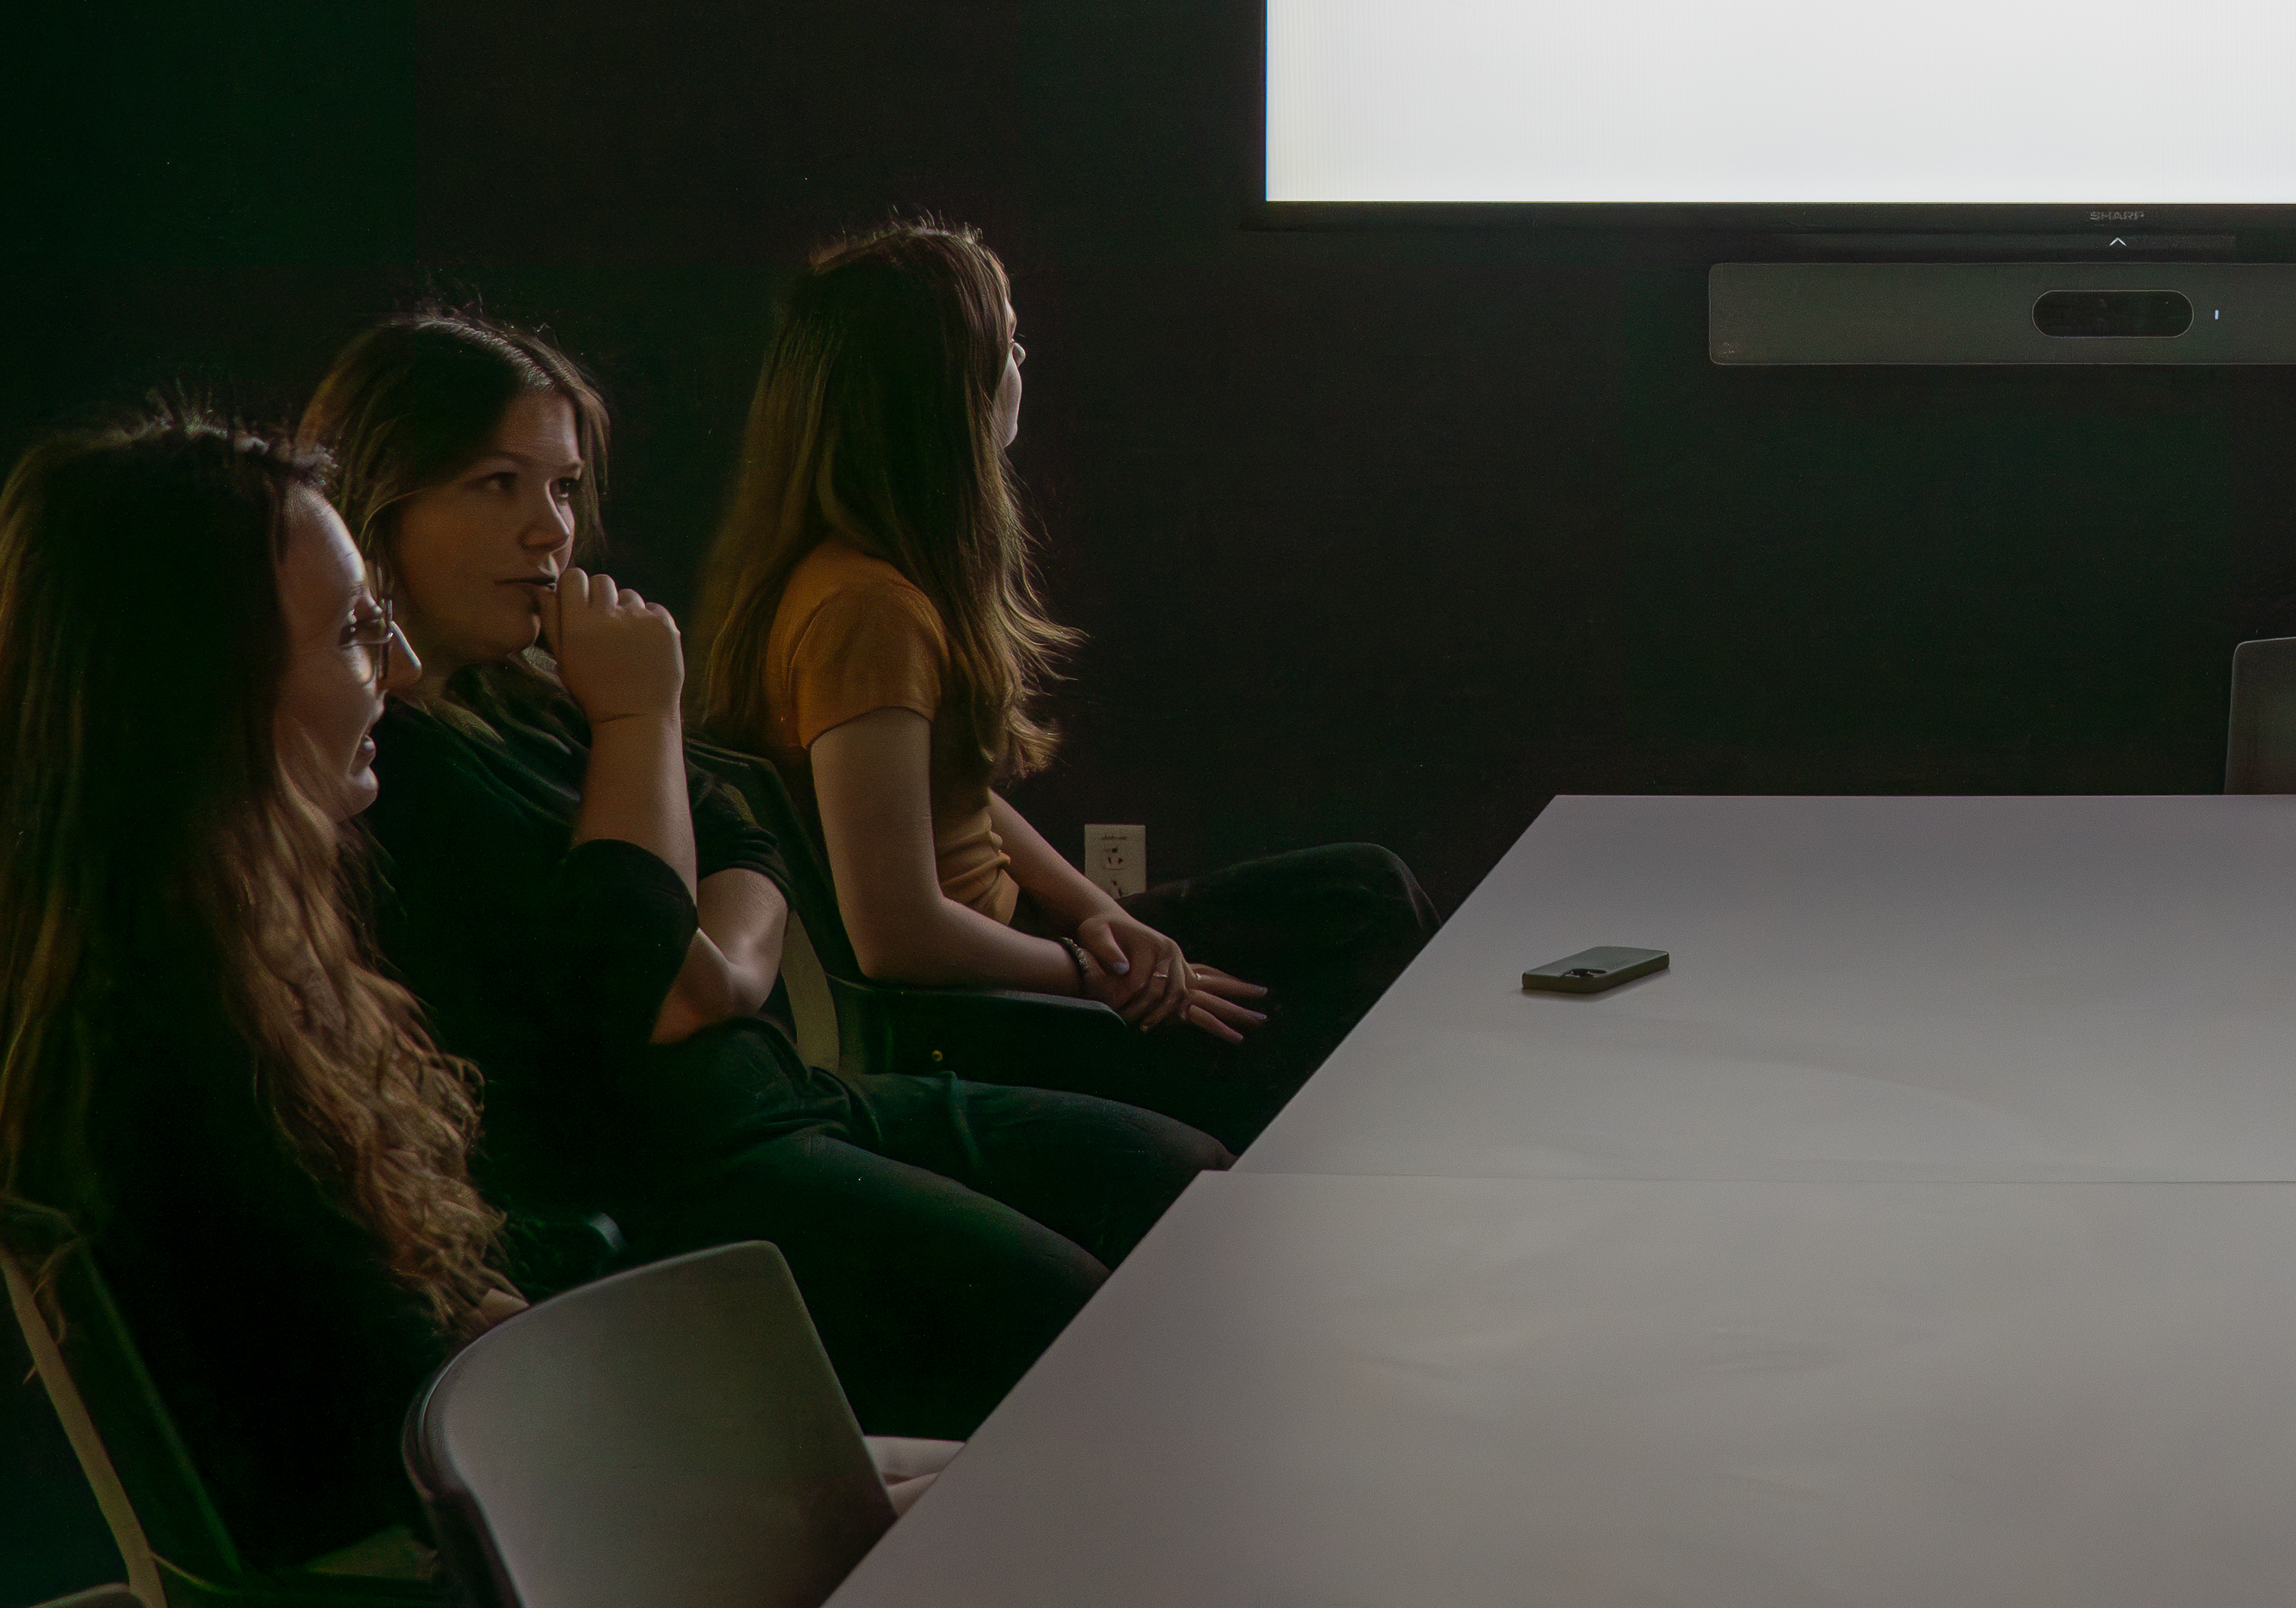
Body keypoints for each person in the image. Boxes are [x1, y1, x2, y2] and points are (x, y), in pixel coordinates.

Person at [312, 309, 1225, 1442]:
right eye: (498, 484)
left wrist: (728, 972)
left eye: (560, 489)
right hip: (682, 1176)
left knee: (1181, 1177)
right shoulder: (393, 767)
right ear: (379, 499)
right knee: (1073, 1323)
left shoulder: (527, 702)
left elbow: (743, 824)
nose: (546, 532)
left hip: (785, 1093)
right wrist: (640, 717)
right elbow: (653, 992)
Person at [693, 220, 1432, 1148]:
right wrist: (1094, 975)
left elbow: (950, 798)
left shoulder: (878, 583)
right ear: (947, 394)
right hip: (990, 1010)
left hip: (1027, 948)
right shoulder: (865, 613)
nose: (1023, 358)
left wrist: (1102, 916)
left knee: (1363, 890)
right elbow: (894, 930)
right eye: (1005, 341)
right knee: (1343, 963)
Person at [0, 410, 511, 1570]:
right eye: (351, 634)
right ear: (203, 689)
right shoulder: (178, 1036)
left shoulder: (147, 964)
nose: (402, 670)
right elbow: (414, 1411)